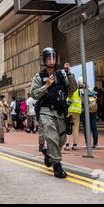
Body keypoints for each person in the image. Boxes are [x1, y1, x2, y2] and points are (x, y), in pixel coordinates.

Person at [30, 48, 77, 179]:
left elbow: (73, 89)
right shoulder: (39, 76)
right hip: (46, 111)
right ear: (44, 59)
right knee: (52, 138)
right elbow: (33, 94)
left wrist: (69, 74)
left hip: (60, 112)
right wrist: (46, 86)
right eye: (48, 57)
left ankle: (49, 155)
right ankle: (57, 166)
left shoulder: (62, 75)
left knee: (61, 139)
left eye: (53, 57)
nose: (51, 60)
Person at [79, 77, 99, 148]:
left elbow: (80, 101)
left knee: (86, 128)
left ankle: (88, 144)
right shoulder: (91, 90)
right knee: (94, 126)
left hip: (85, 110)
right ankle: (95, 143)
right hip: (93, 110)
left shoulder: (81, 91)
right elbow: (96, 95)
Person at [65, 80, 82, 151]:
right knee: (75, 128)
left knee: (68, 127)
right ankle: (75, 145)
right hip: (77, 111)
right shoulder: (78, 91)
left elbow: (66, 101)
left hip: (69, 111)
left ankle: (67, 145)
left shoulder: (68, 91)